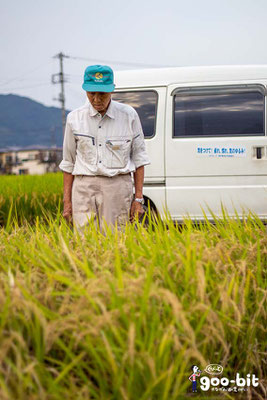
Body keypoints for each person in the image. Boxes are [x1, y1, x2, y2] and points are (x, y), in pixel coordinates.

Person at [59, 64, 150, 234]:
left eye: (102, 93)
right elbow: (68, 162)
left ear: (112, 90)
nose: (96, 99)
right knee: (84, 241)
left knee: (116, 239)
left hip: (116, 185)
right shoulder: (74, 118)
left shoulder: (128, 115)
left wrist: (138, 199)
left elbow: (139, 159)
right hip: (83, 186)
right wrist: (67, 202)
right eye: (91, 93)